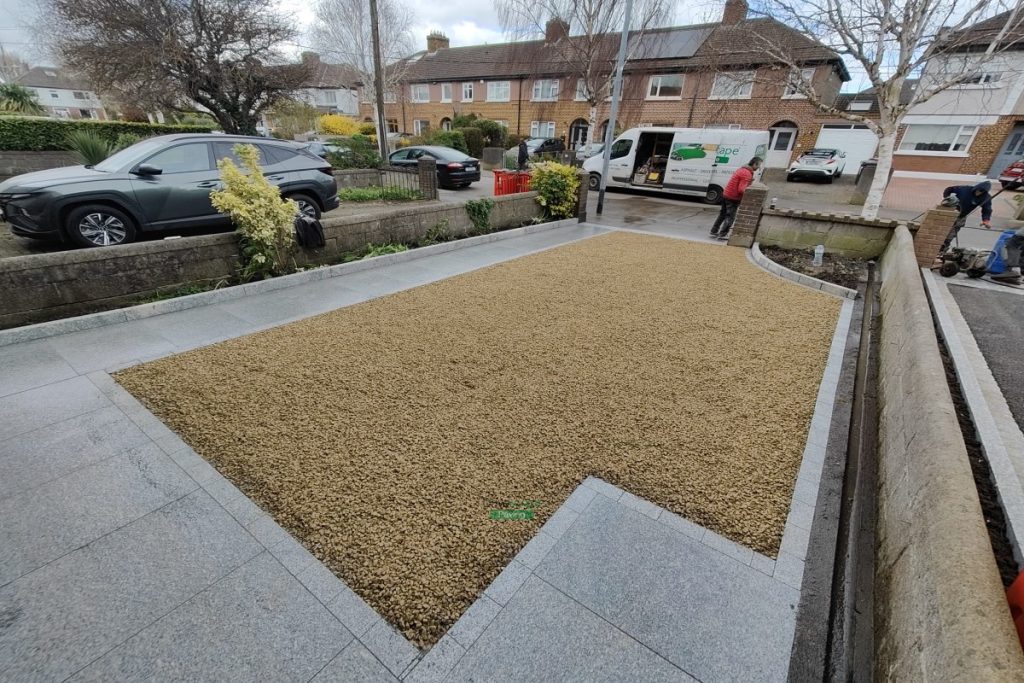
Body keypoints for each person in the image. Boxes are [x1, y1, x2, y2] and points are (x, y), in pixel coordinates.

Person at [710, 157, 762, 241]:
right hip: (733, 197)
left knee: (723, 214)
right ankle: (723, 234)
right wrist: (750, 196)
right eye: (758, 166)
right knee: (730, 217)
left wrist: (749, 181)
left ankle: (714, 230)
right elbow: (741, 189)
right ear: (754, 164)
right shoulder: (747, 173)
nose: (758, 168)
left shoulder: (741, 169)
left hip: (726, 194)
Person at [940, 181, 993, 252]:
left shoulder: (986, 197)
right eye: (978, 190)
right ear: (976, 188)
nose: (979, 193)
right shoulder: (964, 189)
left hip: (961, 217)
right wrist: (947, 198)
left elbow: (987, 209)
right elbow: (949, 189)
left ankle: (942, 251)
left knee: (949, 236)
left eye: (981, 192)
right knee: (941, 232)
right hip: (950, 212)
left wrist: (986, 220)